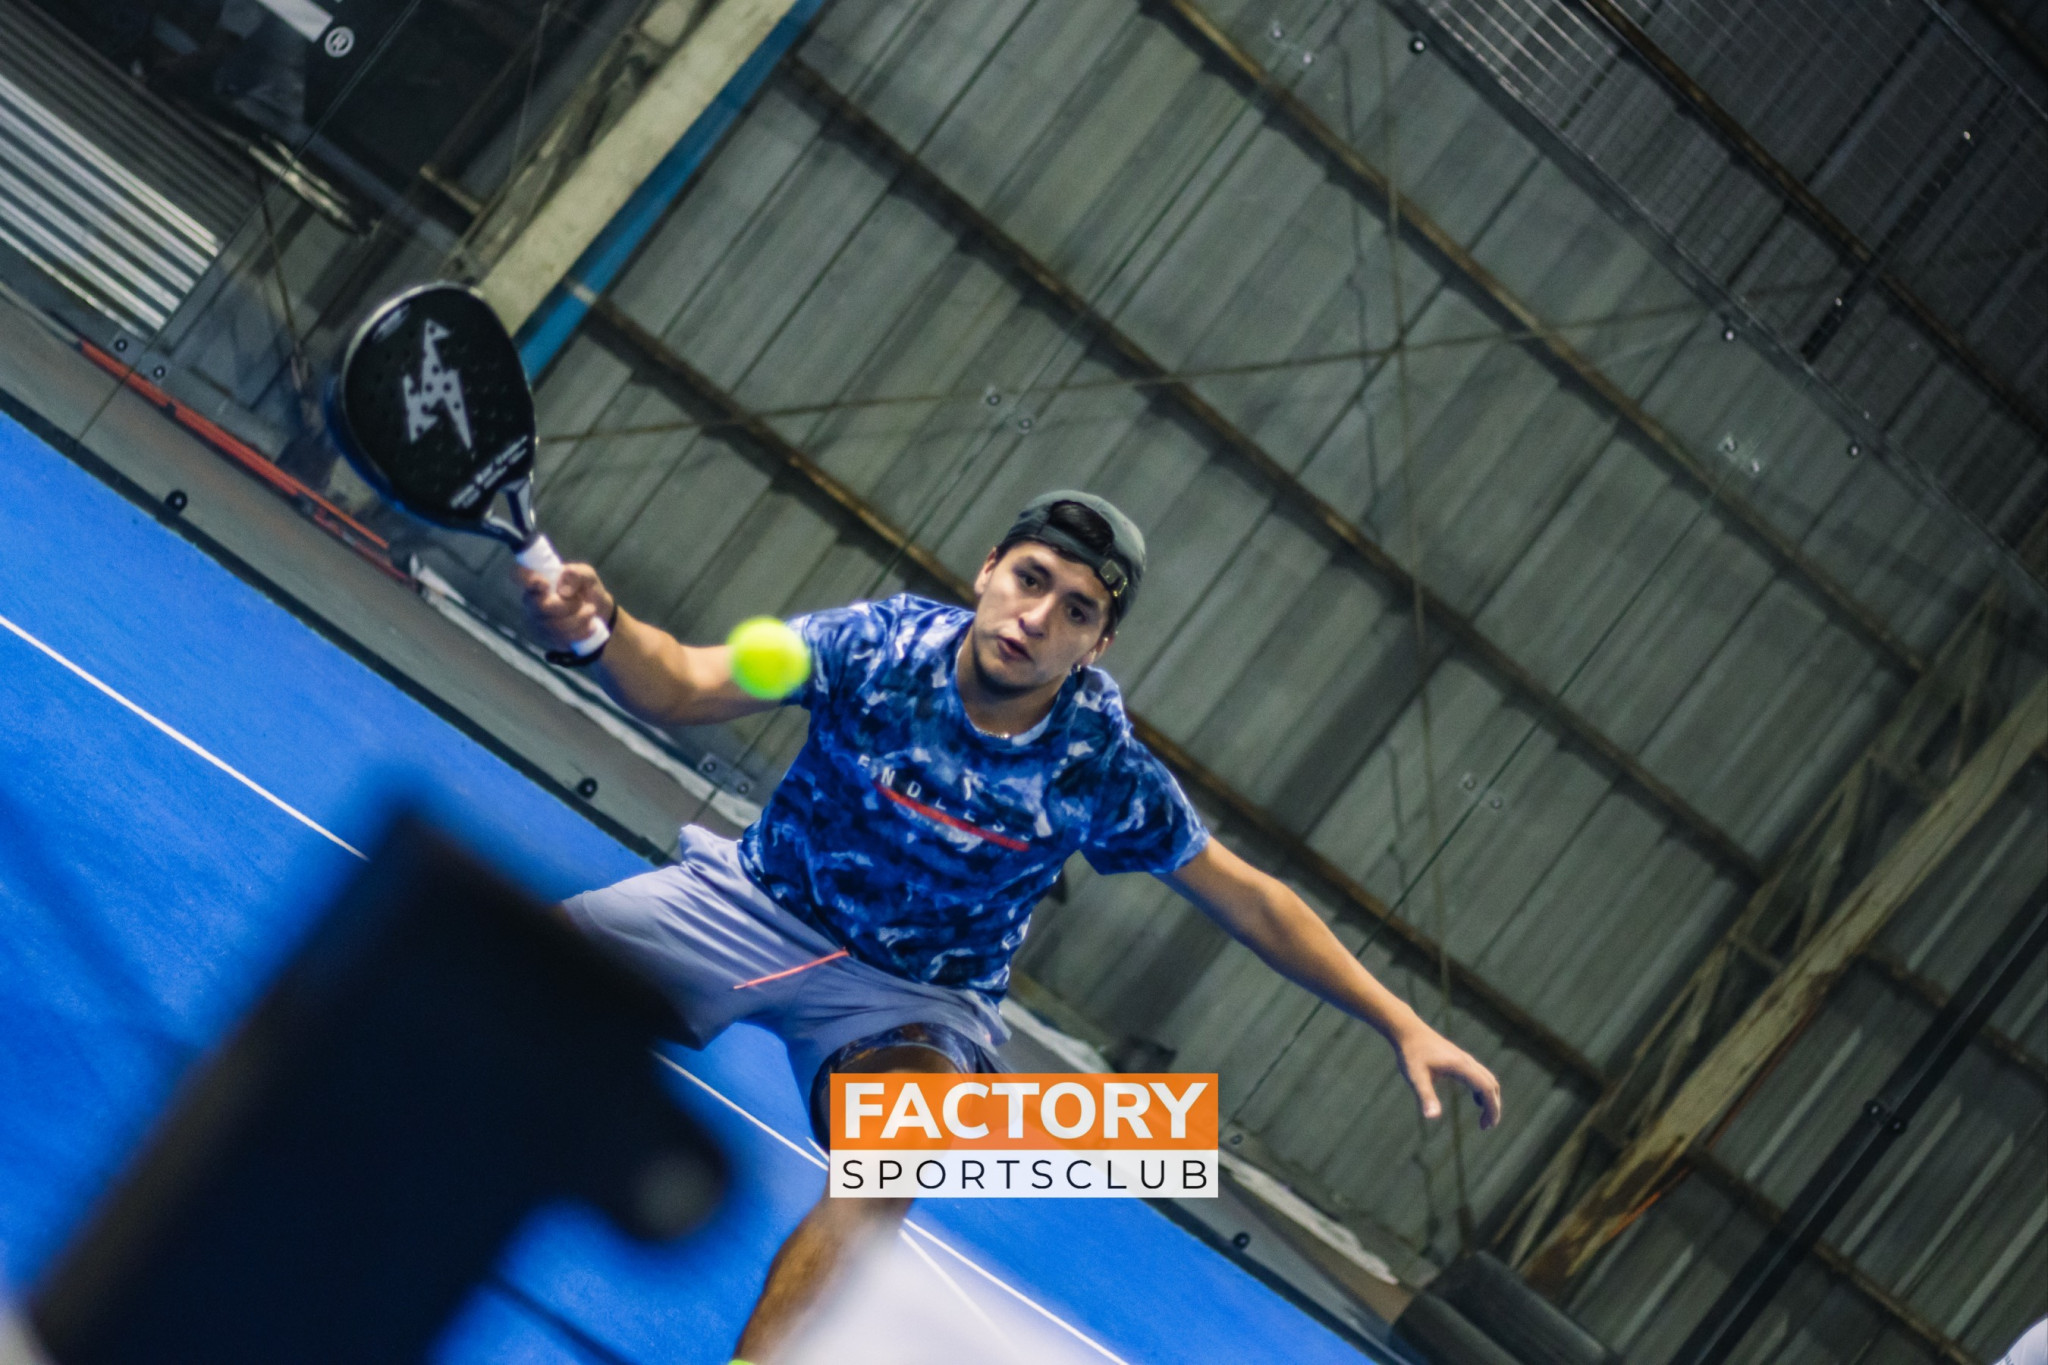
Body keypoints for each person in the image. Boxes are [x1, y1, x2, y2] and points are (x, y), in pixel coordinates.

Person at [519, 490, 1503, 1362]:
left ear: (1096, 647)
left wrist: (1401, 1022)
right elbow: (683, 683)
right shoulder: (871, 643)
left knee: (897, 1156)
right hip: (751, 907)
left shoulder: (1096, 765)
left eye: (1077, 610)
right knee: (503, 980)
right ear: (987, 571)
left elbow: (1248, 897)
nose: (1037, 618)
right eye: (1030, 579)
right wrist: (603, 627)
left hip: (908, 1000)